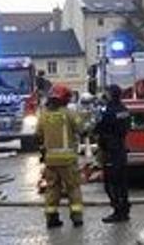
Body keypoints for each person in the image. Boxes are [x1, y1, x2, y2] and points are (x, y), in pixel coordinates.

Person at [36, 85, 86, 228]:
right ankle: (76, 217)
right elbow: (81, 129)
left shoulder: (44, 115)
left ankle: (51, 218)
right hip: (68, 160)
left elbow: (38, 135)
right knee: (73, 188)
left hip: (50, 161)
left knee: (52, 189)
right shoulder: (69, 114)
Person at [93, 86, 133, 223]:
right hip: (121, 148)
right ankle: (124, 209)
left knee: (111, 183)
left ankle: (118, 211)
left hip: (110, 150)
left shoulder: (107, 111)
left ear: (110, 95)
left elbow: (98, 128)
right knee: (122, 182)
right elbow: (127, 127)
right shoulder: (124, 110)